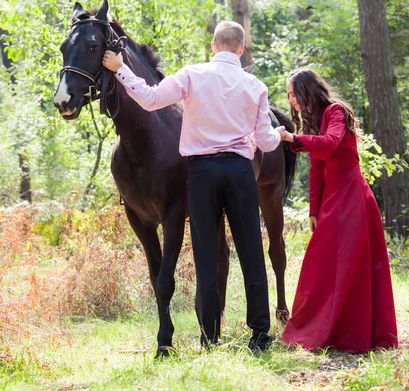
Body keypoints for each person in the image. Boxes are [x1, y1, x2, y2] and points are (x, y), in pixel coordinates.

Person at [102, 21, 280, 351]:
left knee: (206, 255)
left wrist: (121, 69)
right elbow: (267, 143)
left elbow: (150, 98)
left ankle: (210, 337)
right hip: (240, 172)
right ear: (240, 49)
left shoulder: (192, 75)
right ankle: (259, 335)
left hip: (201, 173)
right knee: (251, 253)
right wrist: (278, 134)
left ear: (213, 46)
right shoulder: (255, 86)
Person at [275, 68, 398, 353]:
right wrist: (313, 210)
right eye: (288, 95)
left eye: (293, 94)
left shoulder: (336, 112)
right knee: (321, 263)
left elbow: (330, 144)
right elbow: (317, 169)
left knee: (352, 263)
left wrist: (293, 139)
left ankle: (353, 333)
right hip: (332, 198)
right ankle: (319, 327)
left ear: (307, 90)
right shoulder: (313, 121)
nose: (291, 100)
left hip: (353, 195)